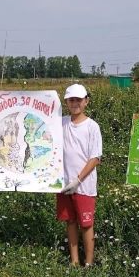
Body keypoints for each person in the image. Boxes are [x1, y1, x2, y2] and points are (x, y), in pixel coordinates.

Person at [57, 84, 102, 267]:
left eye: (79, 100)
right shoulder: (61, 122)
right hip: (64, 183)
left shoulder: (92, 127)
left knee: (86, 223)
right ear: (66, 102)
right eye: (71, 100)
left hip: (84, 185)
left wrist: (78, 180)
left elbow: (95, 158)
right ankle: (74, 261)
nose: (75, 103)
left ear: (86, 102)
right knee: (70, 221)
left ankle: (89, 263)